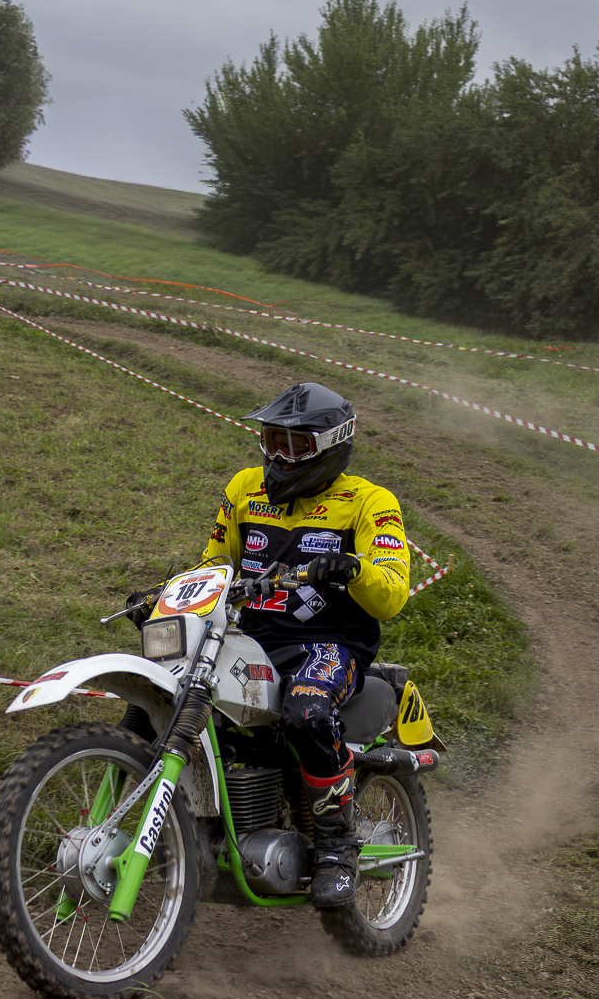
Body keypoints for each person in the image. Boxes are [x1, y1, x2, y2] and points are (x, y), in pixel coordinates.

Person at [134, 381, 410, 911]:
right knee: (166, 689)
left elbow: (393, 591)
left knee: (307, 711)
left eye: (295, 445)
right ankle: (176, 822)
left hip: (330, 644)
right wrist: (165, 596)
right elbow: (215, 565)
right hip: (249, 640)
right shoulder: (244, 489)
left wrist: (353, 569)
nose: (280, 456)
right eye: (272, 440)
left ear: (332, 444)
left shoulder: (370, 502)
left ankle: (336, 850)